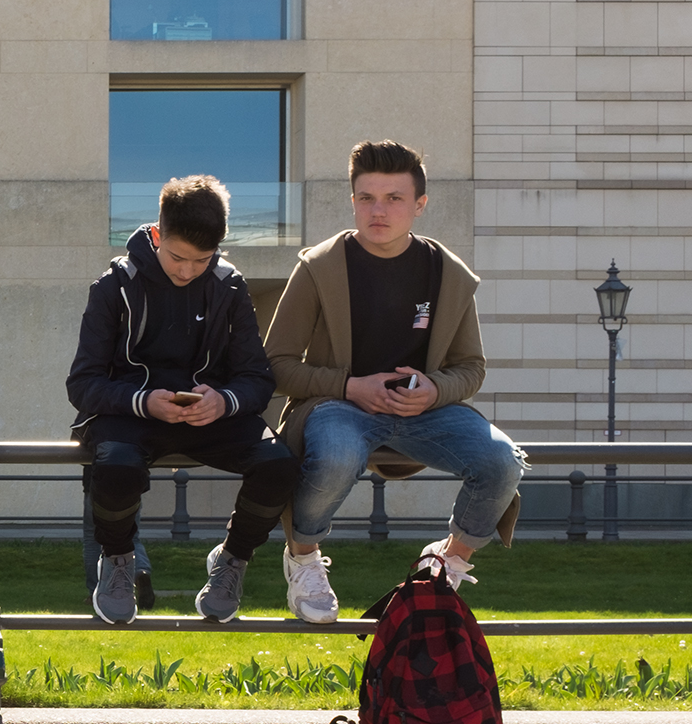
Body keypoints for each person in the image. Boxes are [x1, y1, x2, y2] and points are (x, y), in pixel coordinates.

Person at [264, 140, 525, 622]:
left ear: (419, 205)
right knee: (337, 455)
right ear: (353, 201)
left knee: (503, 461)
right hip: (338, 407)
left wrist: (435, 390)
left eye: (393, 199)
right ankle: (303, 558)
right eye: (366, 198)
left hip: (425, 411)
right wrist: (350, 387)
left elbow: (471, 367)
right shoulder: (319, 267)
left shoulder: (447, 273)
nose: (378, 211)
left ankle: (448, 561)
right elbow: (275, 364)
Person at [67, 175, 297, 624]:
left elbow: (257, 378)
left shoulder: (230, 286)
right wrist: (144, 402)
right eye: (177, 257)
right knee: (114, 466)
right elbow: (83, 383)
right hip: (130, 412)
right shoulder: (113, 286)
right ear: (157, 233)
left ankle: (232, 560)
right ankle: (118, 560)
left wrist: (224, 401)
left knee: (279, 464)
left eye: (202, 260)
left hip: (210, 417)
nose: (188, 271)